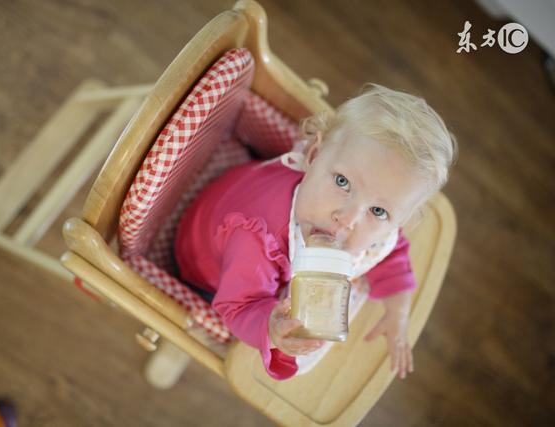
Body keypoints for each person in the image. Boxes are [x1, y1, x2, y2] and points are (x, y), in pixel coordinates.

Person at [174, 83, 457, 380]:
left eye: (378, 211)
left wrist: (398, 313)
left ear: (398, 221)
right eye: (343, 182)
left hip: (241, 220)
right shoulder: (258, 241)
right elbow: (239, 306)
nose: (347, 219)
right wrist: (271, 327)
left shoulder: (360, 223)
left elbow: (391, 251)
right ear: (314, 154)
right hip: (204, 265)